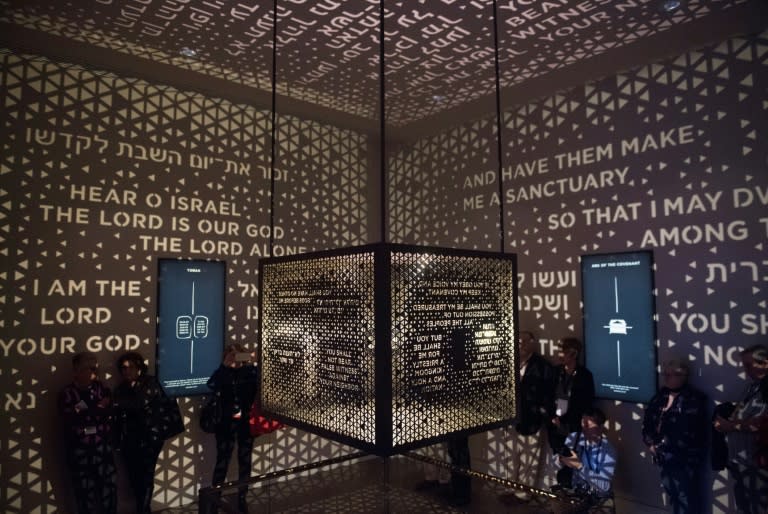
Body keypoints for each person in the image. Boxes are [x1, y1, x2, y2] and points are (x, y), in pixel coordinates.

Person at [114, 351, 182, 514]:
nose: (126, 371)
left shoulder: (150, 383)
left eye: (131, 367)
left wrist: (114, 403)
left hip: (150, 438)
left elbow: (139, 403)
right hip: (130, 440)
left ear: (139, 368)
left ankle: (143, 510)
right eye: (123, 368)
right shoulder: (121, 389)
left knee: (146, 475)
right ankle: (142, 508)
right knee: (134, 477)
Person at [641, 358, 708, 514]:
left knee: (686, 498)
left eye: (671, 374)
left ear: (683, 376)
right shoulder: (660, 397)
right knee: (673, 496)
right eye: (665, 374)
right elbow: (647, 421)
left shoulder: (694, 399)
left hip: (684, 459)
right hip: (662, 457)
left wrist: (661, 446)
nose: (666, 377)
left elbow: (686, 430)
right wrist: (650, 443)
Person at [499, 330, 555, 504]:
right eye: (518, 341)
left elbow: (548, 393)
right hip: (512, 421)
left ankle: (523, 494)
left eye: (524, 341)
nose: (521, 345)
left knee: (528, 460)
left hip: (532, 422)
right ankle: (510, 488)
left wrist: (540, 412)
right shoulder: (509, 363)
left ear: (532, 343)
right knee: (511, 457)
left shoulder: (543, 366)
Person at [58, 351, 117, 514]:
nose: (93, 371)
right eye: (88, 367)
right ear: (76, 370)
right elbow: (70, 417)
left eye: (95, 367)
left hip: (103, 451)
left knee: (109, 492)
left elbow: (108, 414)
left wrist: (86, 411)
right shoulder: (67, 393)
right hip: (79, 452)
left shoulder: (103, 389)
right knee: (84, 494)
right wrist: (92, 407)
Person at [714, 344, 768, 514]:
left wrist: (730, 425)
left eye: (748, 365)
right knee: (743, 506)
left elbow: (761, 423)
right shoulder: (752, 386)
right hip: (738, 459)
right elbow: (743, 413)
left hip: (756, 462)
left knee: (758, 506)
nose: (745, 370)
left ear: (765, 363)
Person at [207, 344, 260, 514]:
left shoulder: (250, 372)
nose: (236, 359)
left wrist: (255, 363)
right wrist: (224, 366)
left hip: (245, 422)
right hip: (225, 424)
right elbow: (211, 384)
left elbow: (264, 385)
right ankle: (215, 498)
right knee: (222, 460)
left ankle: (242, 497)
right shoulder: (223, 373)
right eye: (232, 355)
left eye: (239, 355)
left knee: (245, 460)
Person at [554, 407, 617, 513]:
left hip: (598, 497)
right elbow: (555, 463)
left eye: (588, 425)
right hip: (576, 492)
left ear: (600, 427)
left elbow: (604, 487)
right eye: (582, 424)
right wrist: (561, 460)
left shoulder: (608, 450)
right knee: (556, 503)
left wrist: (580, 467)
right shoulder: (575, 438)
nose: (584, 428)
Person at [548, 337, 595, 455]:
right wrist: (552, 417)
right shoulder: (555, 372)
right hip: (555, 424)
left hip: (573, 427)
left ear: (574, 354)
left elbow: (588, 402)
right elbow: (547, 396)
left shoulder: (585, 376)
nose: (559, 355)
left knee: (571, 461)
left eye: (563, 352)